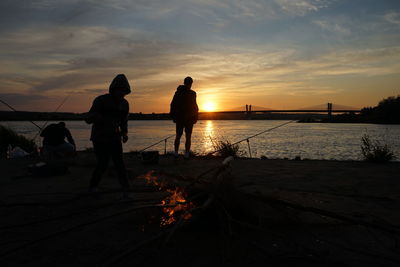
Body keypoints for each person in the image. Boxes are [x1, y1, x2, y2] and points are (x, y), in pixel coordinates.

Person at [85, 74, 131, 198]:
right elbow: (88, 118)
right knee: (102, 163)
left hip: (115, 138)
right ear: (114, 89)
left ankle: (126, 190)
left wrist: (125, 132)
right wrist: (97, 117)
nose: (122, 93)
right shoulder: (100, 100)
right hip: (99, 138)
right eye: (120, 90)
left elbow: (124, 121)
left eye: (124, 91)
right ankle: (93, 187)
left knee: (120, 164)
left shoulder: (125, 104)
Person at [170, 76, 199, 159]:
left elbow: (172, 105)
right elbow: (195, 106)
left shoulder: (181, 92)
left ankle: (180, 153)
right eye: (190, 84)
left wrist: (173, 116)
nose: (190, 85)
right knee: (184, 136)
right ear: (189, 83)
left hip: (184, 118)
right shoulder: (190, 93)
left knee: (182, 136)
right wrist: (195, 116)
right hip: (185, 118)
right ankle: (182, 153)